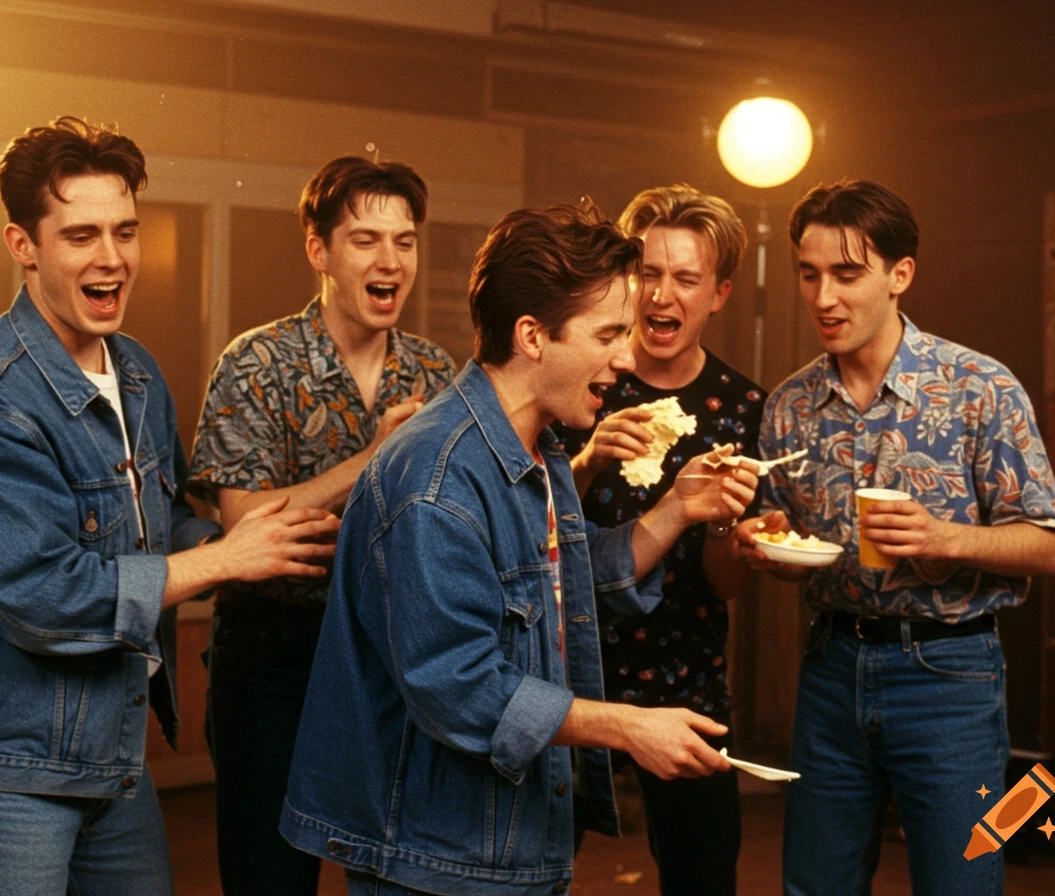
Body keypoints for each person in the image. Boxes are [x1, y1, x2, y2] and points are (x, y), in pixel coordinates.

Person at [0, 116, 340, 896]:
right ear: (21, 245)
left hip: (112, 760)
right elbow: (45, 598)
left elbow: (148, 532)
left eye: (125, 231)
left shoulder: (135, 374)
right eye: (80, 235)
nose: (112, 259)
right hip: (8, 777)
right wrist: (221, 558)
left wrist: (250, 536)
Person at [281, 203, 761, 896]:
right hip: (443, 857)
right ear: (533, 335)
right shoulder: (435, 479)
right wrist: (626, 726)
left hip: (509, 844)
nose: (626, 357)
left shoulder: (534, 447)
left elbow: (560, 583)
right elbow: (457, 684)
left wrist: (681, 508)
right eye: (607, 334)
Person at [735, 179, 1055, 896]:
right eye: (809, 273)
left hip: (951, 674)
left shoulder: (981, 387)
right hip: (830, 667)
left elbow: (1052, 546)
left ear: (900, 275)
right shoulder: (790, 406)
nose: (824, 297)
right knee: (814, 886)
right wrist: (769, 545)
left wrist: (944, 537)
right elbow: (790, 551)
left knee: (960, 884)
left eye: (847, 274)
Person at [187, 156, 458, 895]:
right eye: (366, 240)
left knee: (397, 875)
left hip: (390, 661)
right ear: (320, 252)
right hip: (273, 660)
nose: (390, 261)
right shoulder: (257, 362)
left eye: (404, 242)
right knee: (268, 874)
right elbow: (247, 524)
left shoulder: (436, 374)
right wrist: (375, 458)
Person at [559, 185, 763, 896]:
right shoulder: (582, 380)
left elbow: (727, 583)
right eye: (647, 272)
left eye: (685, 278)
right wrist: (586, 464)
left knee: (702, 877)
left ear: (720, 294)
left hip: (687, 678)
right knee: (533, 870)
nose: (660, 294)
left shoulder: (743, 407)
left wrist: (730, 526)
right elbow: (534, 532)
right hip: (569, 675)